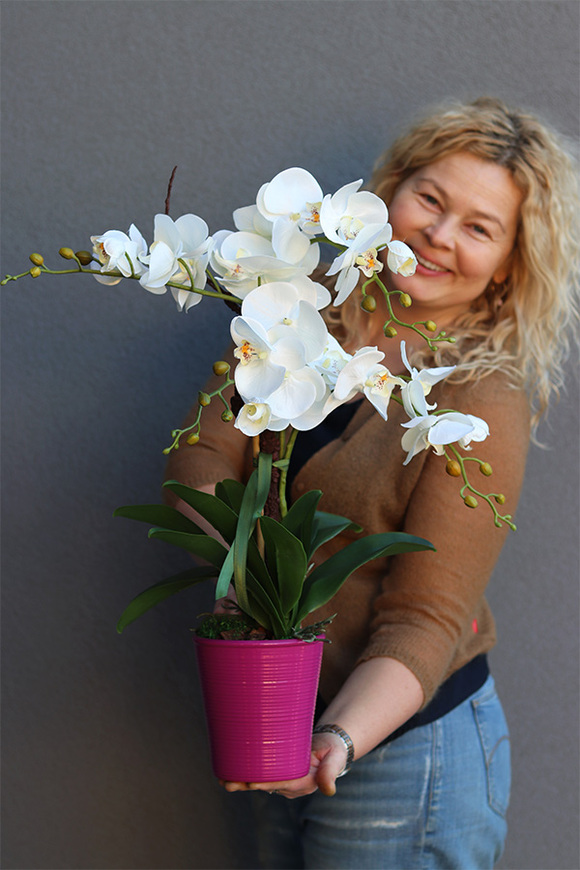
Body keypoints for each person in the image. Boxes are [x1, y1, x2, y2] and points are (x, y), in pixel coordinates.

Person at [165, 97, 579, 869]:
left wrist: (337, 737)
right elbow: (201, 454)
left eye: (480, 227)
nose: (440, 234)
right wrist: (245, 577)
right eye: (430, 198)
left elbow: (428, 615)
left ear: (510, 265)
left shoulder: (479, 397)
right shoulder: (295, 310)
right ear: (387, 192)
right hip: (280, 709)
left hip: (404, 750)